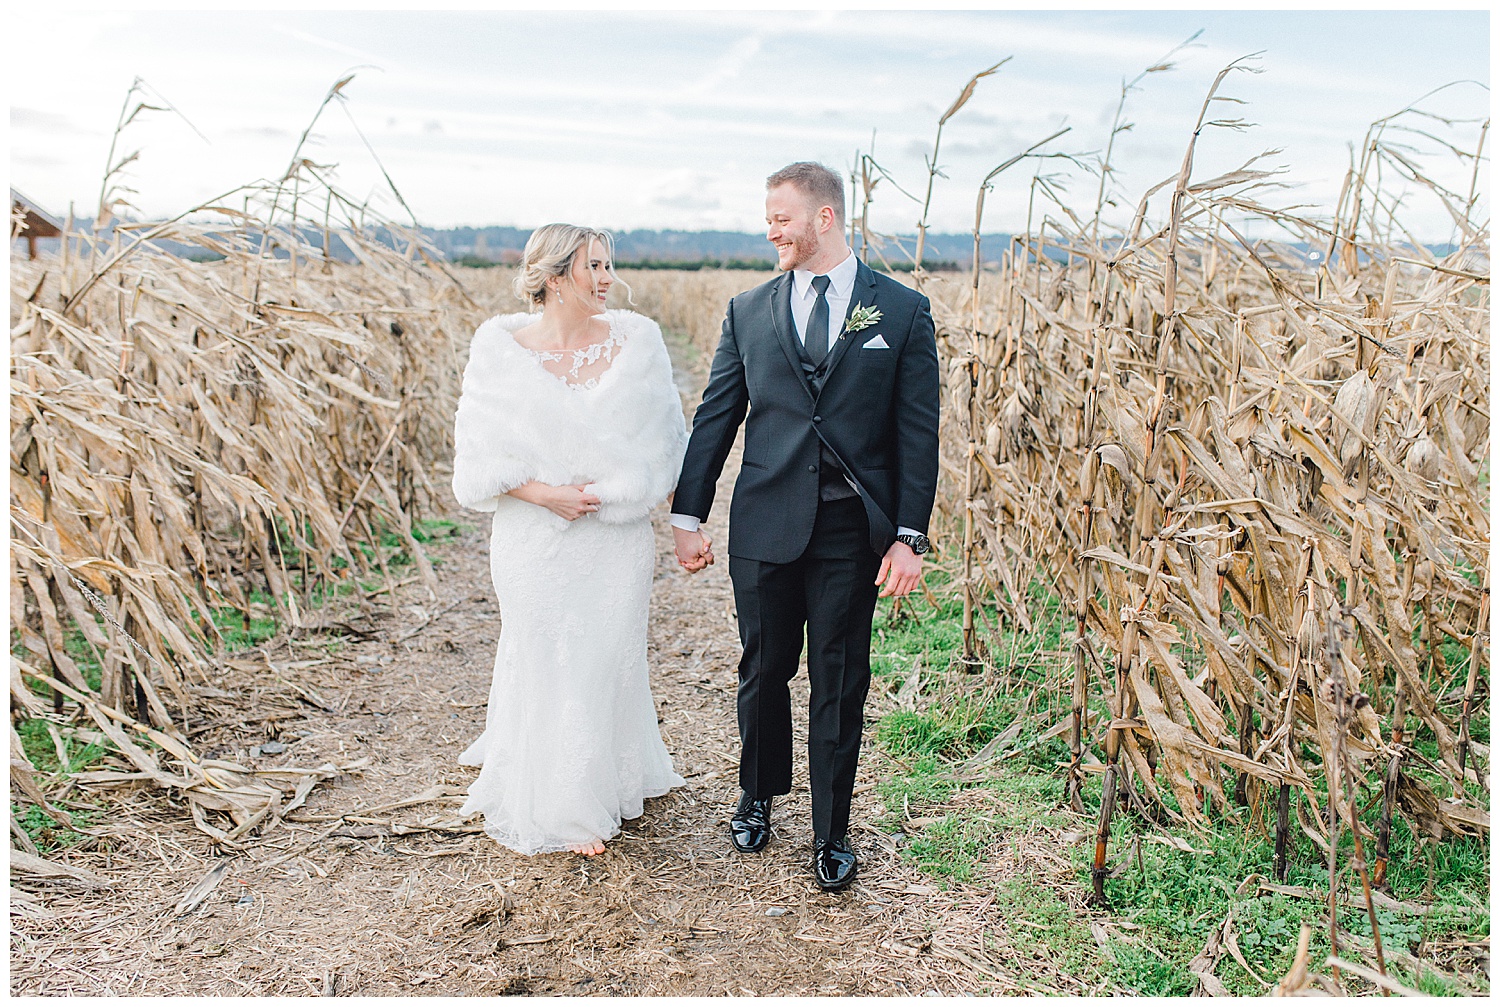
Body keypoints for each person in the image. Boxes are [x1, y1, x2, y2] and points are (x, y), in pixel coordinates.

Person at [670, 162, 940, 891]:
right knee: (763, 671)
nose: (771, 231)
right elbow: (716, 418)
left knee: (840, 680)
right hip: (764, 520)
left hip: (853, 533)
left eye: (781, 217)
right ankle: (756, 794)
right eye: (768, 217)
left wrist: (910, 535)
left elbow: (918, 432)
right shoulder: (748, 310)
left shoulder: (902, 312)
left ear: (824, 218)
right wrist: (688, 513)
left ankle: (831, 829)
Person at [451, 224, 687, 856]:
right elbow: (479, 457)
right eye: (594, 266)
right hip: (534, 536)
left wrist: (683, 527)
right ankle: (565, 806)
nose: (607, 278)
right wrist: (544, 494)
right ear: (554, 277)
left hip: (615, 541)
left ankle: (612, 773)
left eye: (610, 265)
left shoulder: (639, 345)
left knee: (606, 656)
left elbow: (667, 442)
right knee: (548, 654)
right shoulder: (499, 351)